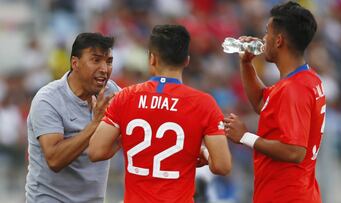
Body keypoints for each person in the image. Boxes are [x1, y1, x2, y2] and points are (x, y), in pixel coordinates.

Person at [88, 24, 232, 203]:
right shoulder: (204, 104)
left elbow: (95, 151)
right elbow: (222, 166)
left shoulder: (126, 97)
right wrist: (204, 152)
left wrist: (126, 137)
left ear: (152, 58)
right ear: (186, 60)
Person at [224, 2, 325, 203]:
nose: (263, 39)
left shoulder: (294, 88)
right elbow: (263, 103)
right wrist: (246, 63)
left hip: (286, 196)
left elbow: (294, 151)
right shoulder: (307, 79)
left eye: (266, 32)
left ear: (279, 40)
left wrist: (245, 137)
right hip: (295, 192)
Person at [25, 32, 120, 203]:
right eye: (96, 60)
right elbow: (54, 159)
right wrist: (96, 123)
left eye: (109, 61)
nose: (104, 69)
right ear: (75, 63)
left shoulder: (111, 92)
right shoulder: (48, 99)